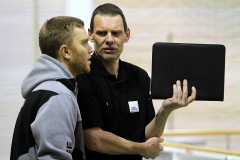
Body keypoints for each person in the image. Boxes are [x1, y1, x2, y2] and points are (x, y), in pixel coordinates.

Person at [76, 3, 197, 160]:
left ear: (127, 35)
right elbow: (94, 139)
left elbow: (148, 136)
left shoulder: (139, 76)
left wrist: (165, 110)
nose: (110, 40)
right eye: (102, 33)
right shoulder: (83, 75)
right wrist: (140, 148)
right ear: (90, 35)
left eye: (116, 33)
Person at [10, 16, 93, 160]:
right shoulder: (58, 96)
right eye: (84, 43)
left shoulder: (46, 90)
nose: (90, 49)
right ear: (65, 52)